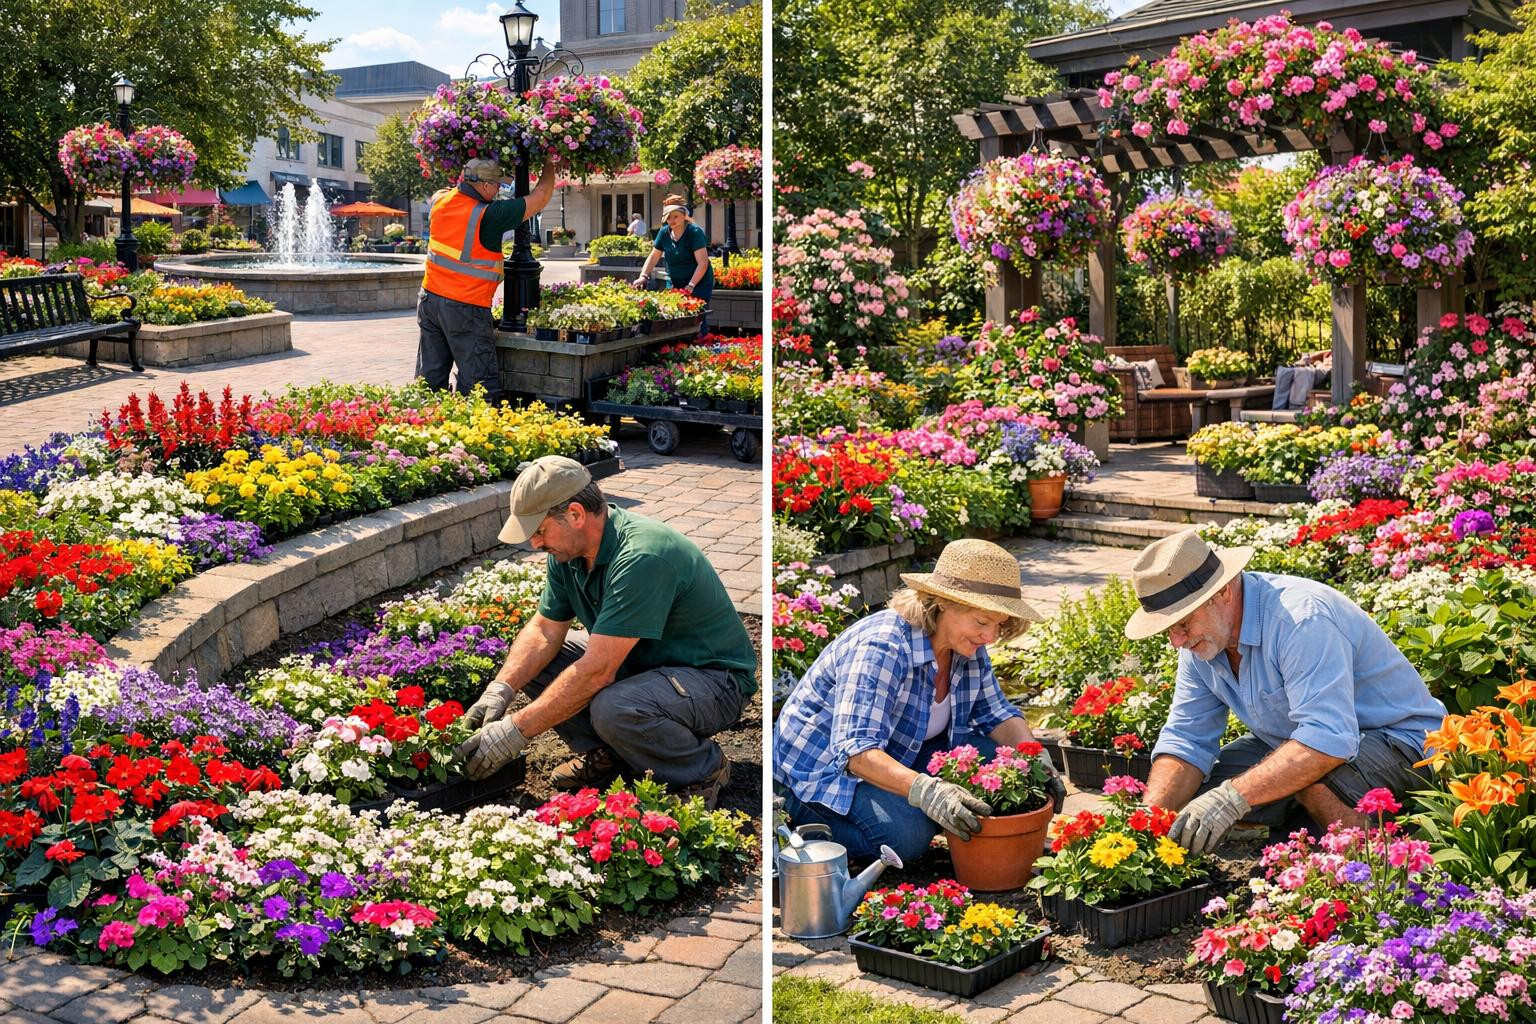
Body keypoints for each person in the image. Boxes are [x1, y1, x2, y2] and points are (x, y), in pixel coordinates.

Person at [454, 455, 757, 807]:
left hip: (714, 681)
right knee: (546, 658)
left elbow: (598, 671)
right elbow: (543, 632)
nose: (535, 544)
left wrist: (515, 732)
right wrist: (500, 690)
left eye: (539, 531)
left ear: (576, 515)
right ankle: (609, 754)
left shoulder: (642, 557)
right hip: (647, 665)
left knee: (615, 707)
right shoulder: (567, 554)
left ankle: (700, 767)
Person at [1125, 530, 1447, 855]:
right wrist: (1149, 820)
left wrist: (1232, 798)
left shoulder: (1300, 619)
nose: (1177, 641)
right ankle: (1301, 830)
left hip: (1403, 742)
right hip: (1307, 741)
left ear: (1222, 592)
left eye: (1183, 623)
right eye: (1169, 629)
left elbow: (1328, 741)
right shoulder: (1203, 640)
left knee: (1317, 785)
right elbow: (1186, 738)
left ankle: (1373, 882)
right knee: (1190, 797)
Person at [773, 540, 1068, 865]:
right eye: (982, 622)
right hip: (822, 772)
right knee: (905, 837)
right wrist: (929, 792)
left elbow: (996, 714)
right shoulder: (883, 647)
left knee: (1006, 762)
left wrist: (1035, 755)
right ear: (943, 603)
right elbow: (857, 754)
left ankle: (926, 811)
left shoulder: (966, 645)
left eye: (998, 624)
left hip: (902, 752)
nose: (990, 637)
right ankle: (797, 823)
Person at [416, 156, 555, 404]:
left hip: (429, 301)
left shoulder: (441, 200)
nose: (499, 190)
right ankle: (475, 436)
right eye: (498, 185)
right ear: (486, 185)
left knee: (429, 381)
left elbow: (441, 194)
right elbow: (541, 197)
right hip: (465, 307)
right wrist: (550, 162)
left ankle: (427, 431)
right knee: (479, 386)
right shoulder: (488, 216)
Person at [633, 194, 714, 336]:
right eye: (668, 217)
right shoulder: (664, 233)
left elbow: (703, 263)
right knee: (676, 314)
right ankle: (680, 346)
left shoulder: (694, 233)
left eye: (675, 216)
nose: (672, 220)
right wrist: (643, 276)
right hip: (675, 281)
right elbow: (654, 256)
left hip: (699, 282)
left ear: (684, 216)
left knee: (696, 314)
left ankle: (701, 343)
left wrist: (691, 285)